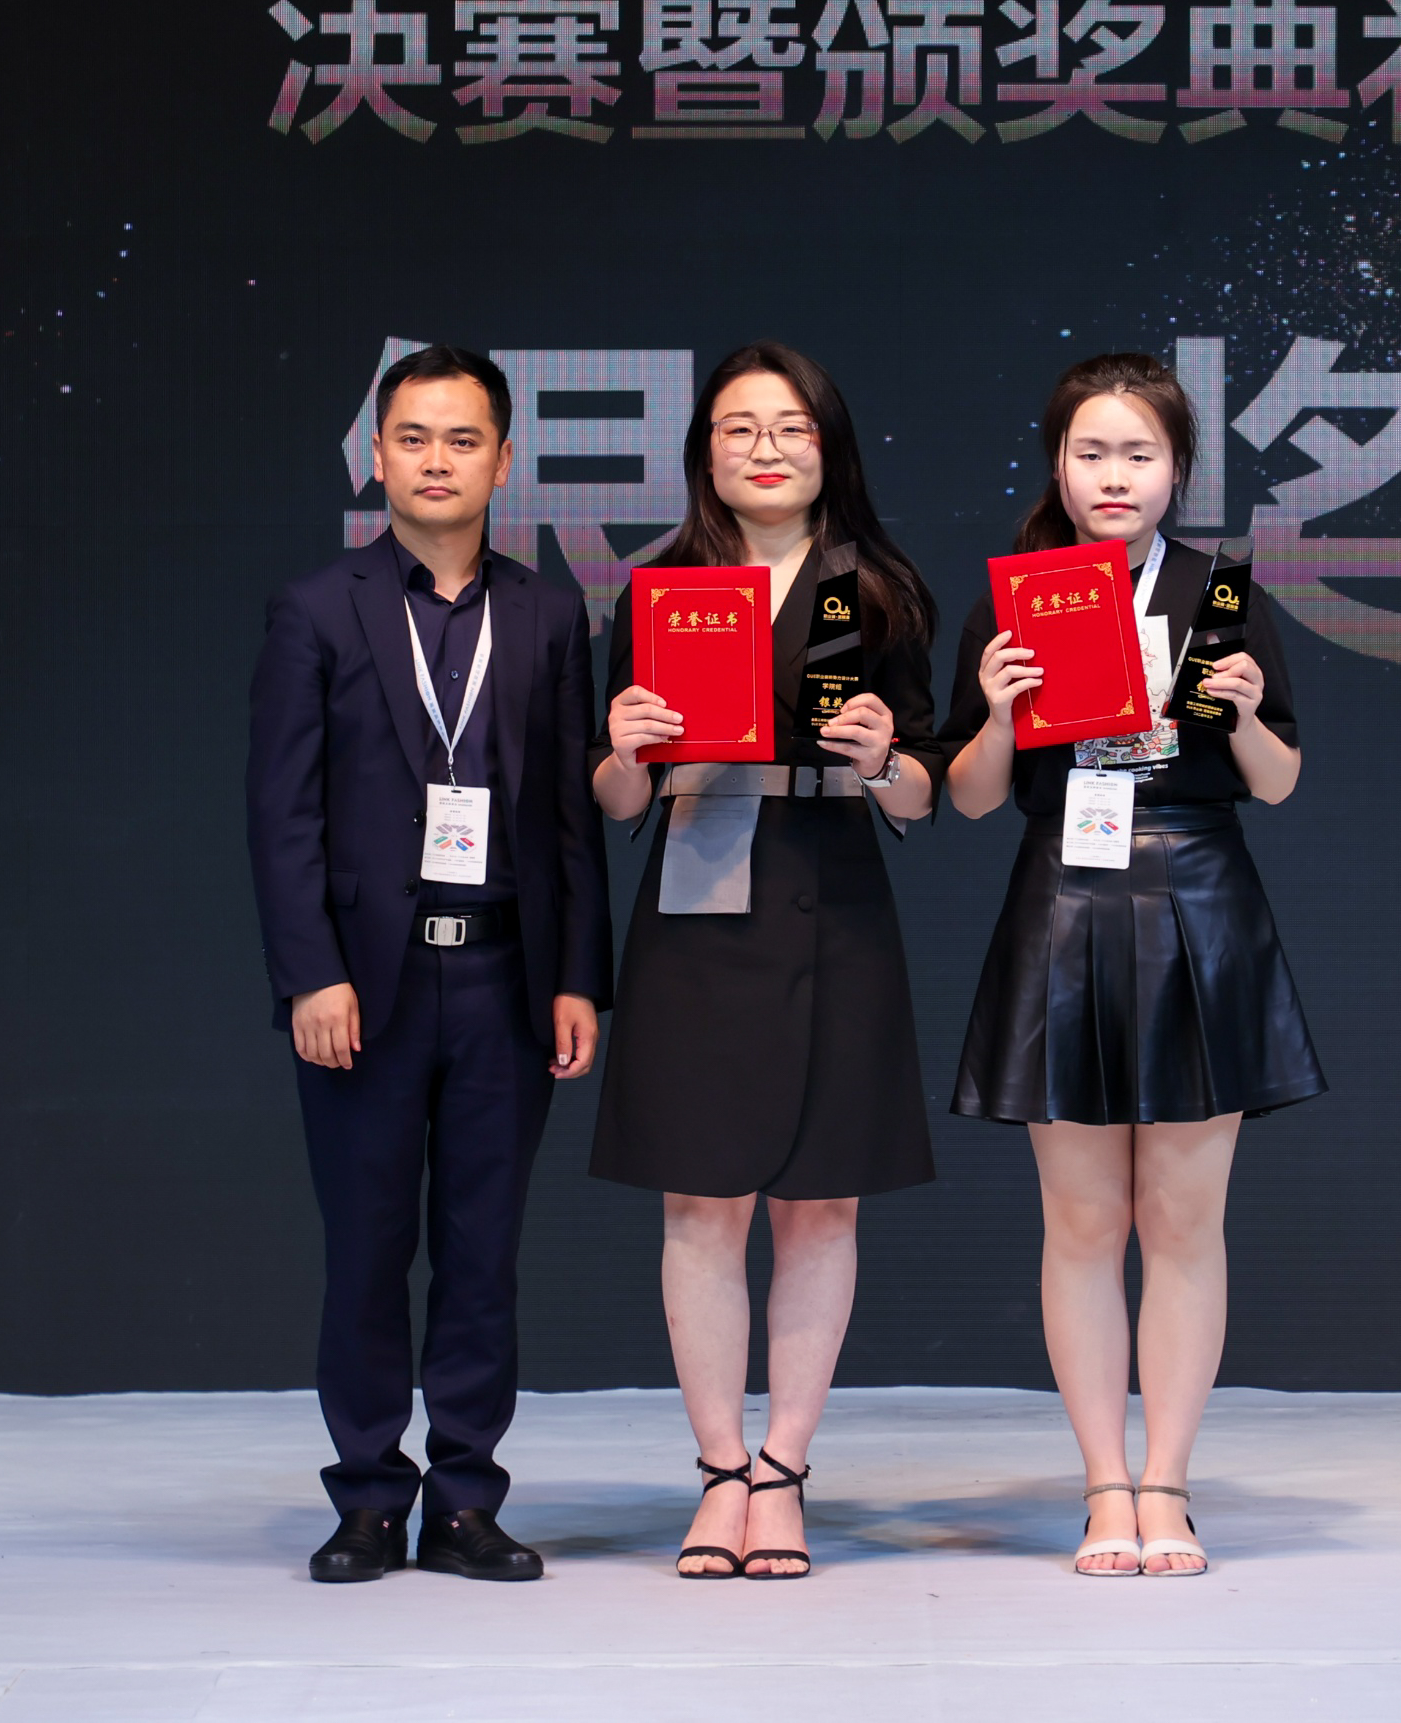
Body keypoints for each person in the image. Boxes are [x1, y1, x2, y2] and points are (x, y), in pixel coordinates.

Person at [940, 351, 1324, 1578]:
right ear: (1056, 464)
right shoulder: (1016, 599)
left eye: (1139, 454)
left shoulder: (1223, 595)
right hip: (1063, 898)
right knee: (1083, 1220)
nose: (1114, 476)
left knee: (1182, 1219)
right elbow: (969, 799)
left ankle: (1168, 1485)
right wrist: (996, 711)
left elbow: (1278, 781)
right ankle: (1104, 1485)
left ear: (1176, 469)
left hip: (1199, 898)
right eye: (1091, 452)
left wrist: (1245, 712)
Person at [245, 344, 610, 1585]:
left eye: (462, 440)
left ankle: (462, 1499)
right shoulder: (316, 608)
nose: (437, 460)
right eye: (413, 438)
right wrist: (310, 972)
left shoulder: (550, 613)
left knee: (481, 1252)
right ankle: (364, 1497)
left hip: (504, 979)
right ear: (376, 456)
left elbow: (567, 817)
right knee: (365, 1249)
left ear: (504, 460)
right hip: (366, 987)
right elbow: (280, 813)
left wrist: (577, 976)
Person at [588, 342, 947, 1580]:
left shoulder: (879, 589)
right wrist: (624, 748)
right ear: (705, 453)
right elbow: (614, 796)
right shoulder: (659, 588)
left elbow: (923, 793)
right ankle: (716, 1471)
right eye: (738, 428)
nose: (765, 449)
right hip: (698, 903)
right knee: (700, 1203)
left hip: (833, 901)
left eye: (790, 426)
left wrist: (883, 757)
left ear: (827, 445)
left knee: (819, 1203)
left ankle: (783, 1470)